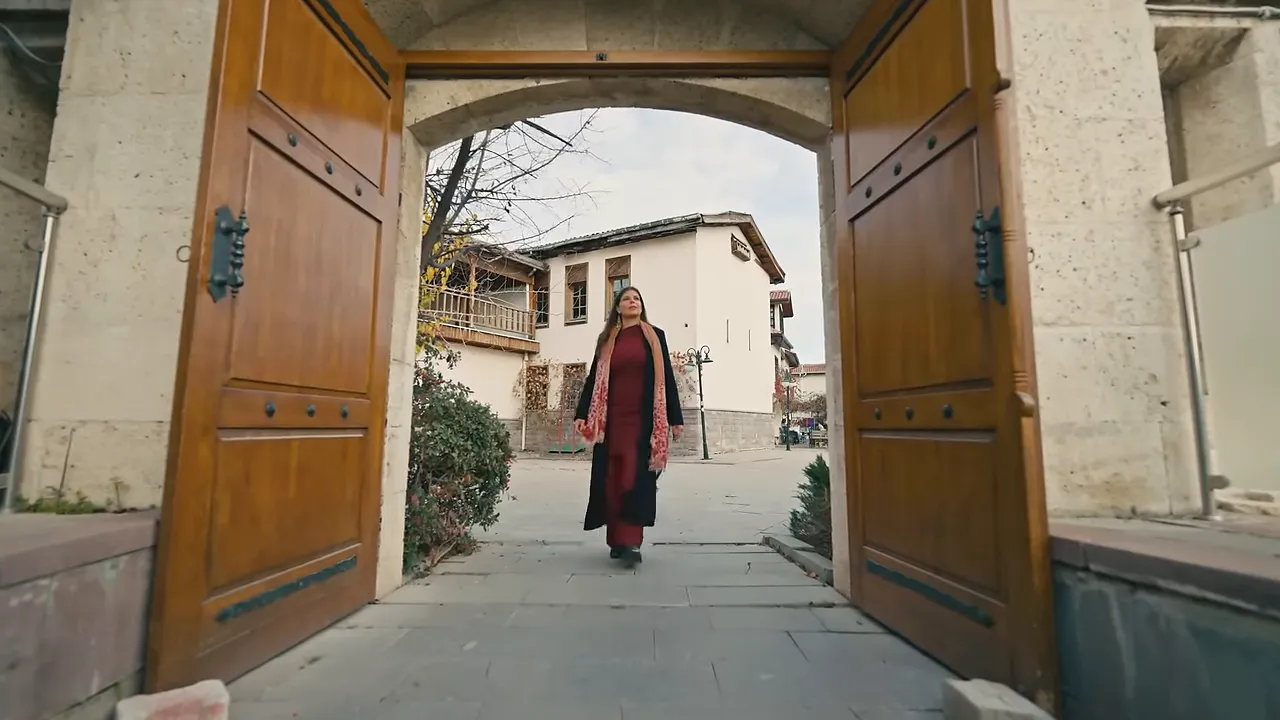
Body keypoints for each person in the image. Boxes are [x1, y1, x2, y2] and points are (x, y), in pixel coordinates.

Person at [573, 287, 683, 568]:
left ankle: (631, 541)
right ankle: (616, 539)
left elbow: (666, 378)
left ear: (641, 306)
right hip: (610, 421)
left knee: (634, 477)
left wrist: (675, 418)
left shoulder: (655, 337)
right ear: (618, 308)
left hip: (643, 421)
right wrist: (582, 413)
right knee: (612, 477)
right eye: (626, 299)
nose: (632, 302)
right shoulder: (608, 339)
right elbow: (592, 380)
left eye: (636, 298)